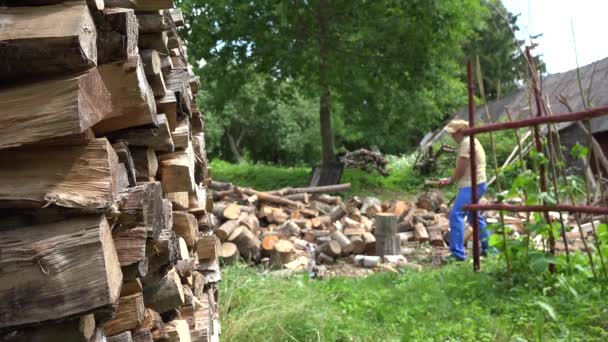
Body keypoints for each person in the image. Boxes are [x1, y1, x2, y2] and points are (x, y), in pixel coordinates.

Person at [438, 119, 490, 261]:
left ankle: (457, 254)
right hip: (478, 183)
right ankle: (490, 249)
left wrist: (449, 180)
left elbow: (460, 170)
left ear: (460, 132)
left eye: (453, 134)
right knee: (474, 216)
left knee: (456, 214)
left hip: (472, 184)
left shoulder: (467, 143)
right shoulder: (472, 140)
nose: (452, 137)